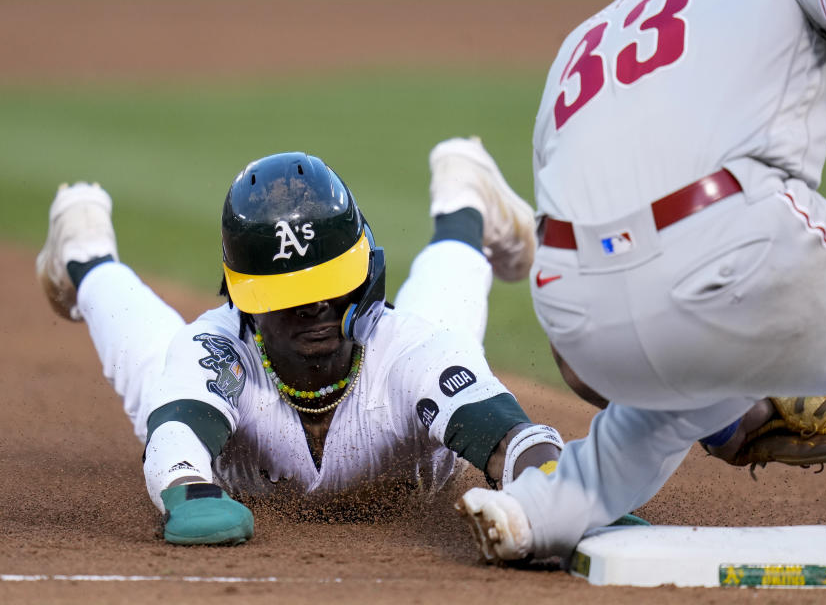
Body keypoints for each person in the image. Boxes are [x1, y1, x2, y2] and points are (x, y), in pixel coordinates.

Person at [455, 0, 826, 582]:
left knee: (666, 408)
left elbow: (577, 366)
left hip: (578, 321)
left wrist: (719, 407)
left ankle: (535, 510)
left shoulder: (583, 42)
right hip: (730, 247)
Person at [36, 137, 563, 545]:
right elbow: (175, 448)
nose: (313, 307)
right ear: (245, 300)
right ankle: (84, 245)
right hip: (211, 367)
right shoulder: (220, 352)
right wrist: (190, 494)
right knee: (150, 355)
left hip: (409, 353)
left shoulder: (413, 352)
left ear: (363, 276)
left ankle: (464, 197)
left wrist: (565, 491)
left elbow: (513, 440)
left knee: (447, 308)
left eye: (329, 285)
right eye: (287, 295)